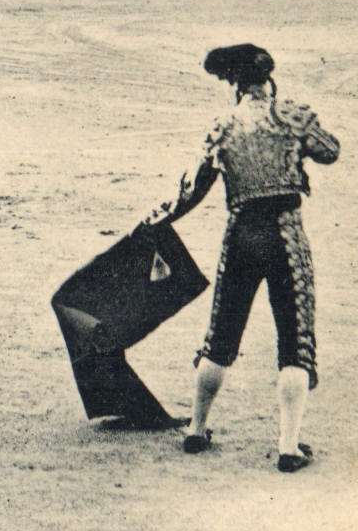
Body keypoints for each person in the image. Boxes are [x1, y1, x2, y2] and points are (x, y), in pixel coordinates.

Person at [141, 44, 340, 472]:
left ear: (234, 85)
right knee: (295, 339)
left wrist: (163, 216)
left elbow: (192, 189)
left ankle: (196, 429)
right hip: (285, 233)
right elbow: (330, 150)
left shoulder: (223, 126)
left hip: (241, 235)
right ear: (268, 80)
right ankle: (288, 448)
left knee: (222, 334)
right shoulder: (290, 115)